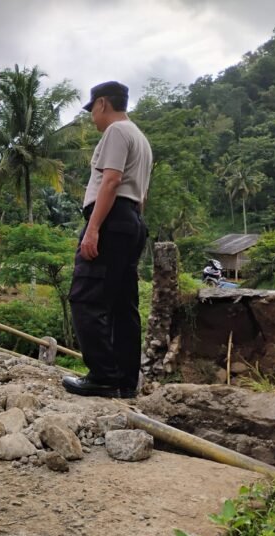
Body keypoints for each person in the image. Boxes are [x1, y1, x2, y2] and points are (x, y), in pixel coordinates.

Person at [62, 82, 152, 399]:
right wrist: (130, 225)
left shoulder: (115, 132)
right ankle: (125, 382)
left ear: (102, 104)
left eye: (92, 111)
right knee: (122, 304)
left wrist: (94, 228)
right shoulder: (140, 137)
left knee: (85, 297)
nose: (92, 118)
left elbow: (111, 180)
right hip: (132, 222)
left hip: (112, 220)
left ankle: (102, 375)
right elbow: (141, 196)